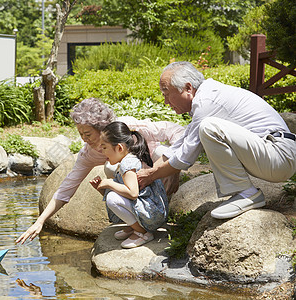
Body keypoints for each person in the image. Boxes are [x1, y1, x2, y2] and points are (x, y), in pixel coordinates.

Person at [138, 61, 296, 219]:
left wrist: (150, 176)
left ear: (188, 88)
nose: (166, 102)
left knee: (209, 127)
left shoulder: (207, 101)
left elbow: (185, 157)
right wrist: (146, 173)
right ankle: (243, 192)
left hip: (278, 154)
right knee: (206, 127)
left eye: (166, 94)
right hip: (273, 154)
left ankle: (246, 194)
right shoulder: (207, 97)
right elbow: (179, 147)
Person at [16, 98, 184, 244]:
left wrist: (171, 168)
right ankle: (134, 224)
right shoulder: (89, 153)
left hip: (155, 183)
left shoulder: (126, 128)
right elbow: (66, 188)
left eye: (87, 133)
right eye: (80, 133)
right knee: (110, 168)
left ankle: (144, 227)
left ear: (103, 128)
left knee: (159, 153)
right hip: (135, 188)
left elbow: (178, 131)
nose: (84, 138)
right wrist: (40, 221)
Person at [90, 121, 168, 248]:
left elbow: (133, 193)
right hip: (152, 210)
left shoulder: (128, 163)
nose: (102, 151)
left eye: (104, 147)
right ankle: (134, 226)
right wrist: (102, 187)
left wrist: (109, 183)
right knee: (113, 191)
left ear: (119, 148)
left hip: (153, 214)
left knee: (112, 197)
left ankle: (143, 232)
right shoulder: (128, 159)